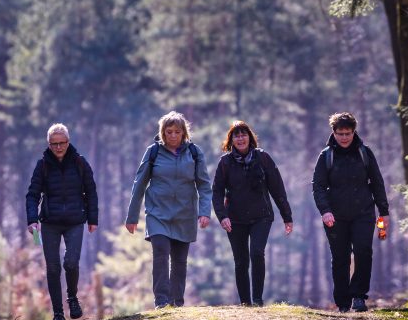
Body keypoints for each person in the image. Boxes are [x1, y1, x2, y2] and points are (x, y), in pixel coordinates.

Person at [125, 111, 212, 308]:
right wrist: (132, 216)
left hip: (185, 214)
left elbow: (204, 185)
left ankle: (176, 303)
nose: (173, 136)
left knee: (180, 261)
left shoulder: (194, 153)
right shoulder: (153, 152)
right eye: (169, 131)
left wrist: (204, 212)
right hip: (158, 214)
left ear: (184, 133)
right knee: (161, 253)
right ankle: (162, 301)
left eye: (177, 132)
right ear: (162, 132)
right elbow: (139, 184)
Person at [311, 112, 390, 313]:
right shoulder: (326, 156)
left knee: (363, 252)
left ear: (354, 132)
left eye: (348, 133)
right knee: (340, 257)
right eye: (340, 134)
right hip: (335, 216)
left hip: (363, 212)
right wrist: (325, 211)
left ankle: (359, 296)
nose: (344, 137)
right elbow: (318, 186)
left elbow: (377, 182)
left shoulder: (365, 153)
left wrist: (383, 211)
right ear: (334, 133)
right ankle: (343, 302)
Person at [212, 121, 293, 307]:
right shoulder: (225, 163)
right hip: (235, 218)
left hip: (261, 216)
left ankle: (257, 300)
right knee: (241, 261)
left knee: (257, 253)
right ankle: (245, 302)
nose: (240, 139)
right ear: (231, 140)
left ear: (250, 138)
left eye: (244, 135)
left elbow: (277, 189)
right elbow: (217, 192)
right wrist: (222, 216)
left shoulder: (263, 158)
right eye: (236, 136)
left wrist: (287, 216)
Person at [26, 123, 98, 320]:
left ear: (68, 142)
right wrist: (32, 219)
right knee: (53, 268)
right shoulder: (43, 165)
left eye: (62, 143)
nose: (58, 147)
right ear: (48, 144)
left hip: (75, 221)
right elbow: (32, 194)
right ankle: (58, 314)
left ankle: (72, 298)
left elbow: (91, 191)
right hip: (50, 222)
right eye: (54, 144)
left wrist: (93, 219)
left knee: (71, 263)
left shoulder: (80, 162)